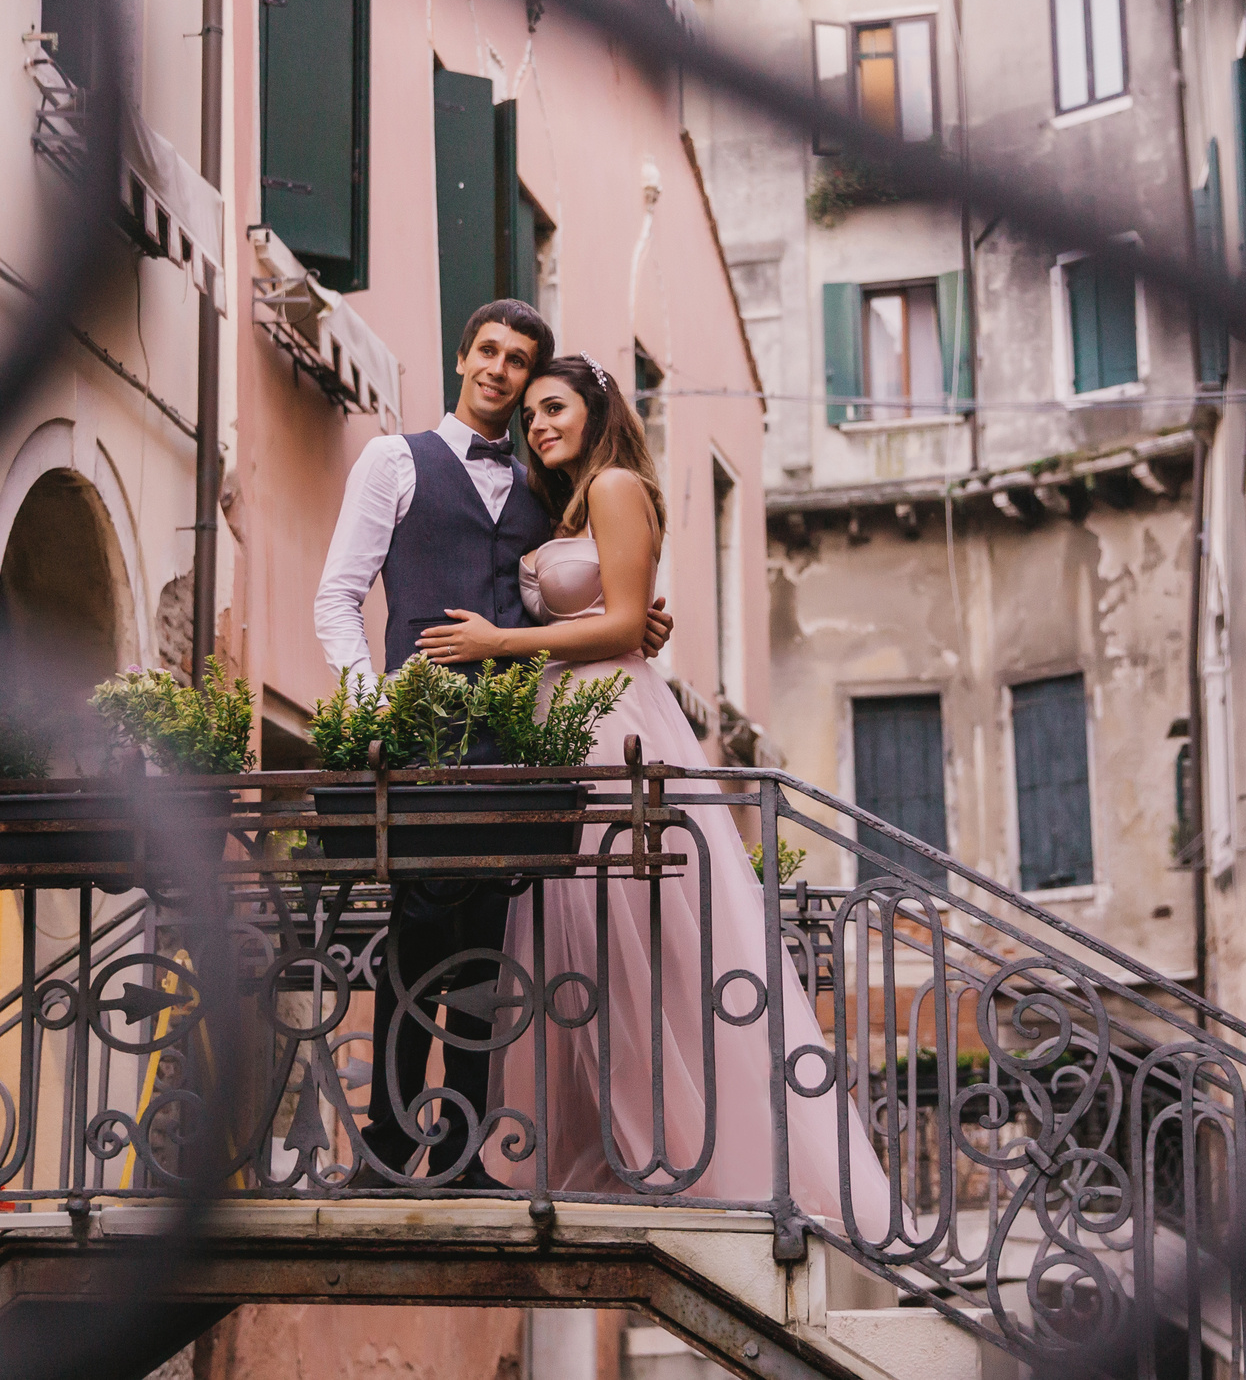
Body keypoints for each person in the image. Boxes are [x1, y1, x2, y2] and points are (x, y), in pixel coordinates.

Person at [418, 355, 895, 1233]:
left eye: (553, 407)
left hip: (614, 720)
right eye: (529, 416)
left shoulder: (614, 485)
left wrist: (496, 642)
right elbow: (614, 610)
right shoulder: (565, 501)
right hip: (565, 718)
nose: (538, 426)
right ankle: (614, 1142)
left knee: (647, 932)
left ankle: (690, 1149)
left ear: (596, 408)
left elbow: (628, 623)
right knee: (593, 942)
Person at [314, 302, 672, 1188]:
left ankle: (466, 1149)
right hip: (419, 744)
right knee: (416, 936)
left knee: (487, 945)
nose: (502, 371)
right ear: (463, 356)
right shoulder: (393, 459)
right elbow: (337, 599)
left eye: (520, 361)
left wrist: (641, 622)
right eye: (490, 352)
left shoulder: (544, 487)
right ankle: (391, 1145)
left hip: (517, 748)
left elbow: (584, 580)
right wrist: (376, 707)